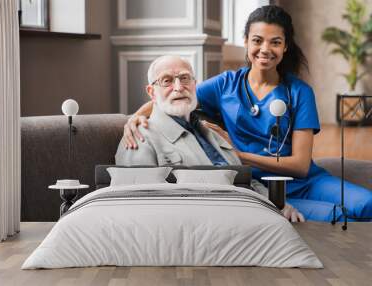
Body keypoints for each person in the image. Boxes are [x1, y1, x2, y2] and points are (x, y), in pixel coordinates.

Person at [121, 5, 372, 222]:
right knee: (339, 217)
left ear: (285, 47)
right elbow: (173, 95)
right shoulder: (224, 85)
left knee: (367, 205)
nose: (265, 49)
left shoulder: (299, 92)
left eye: (275, 42)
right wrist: (135, 117)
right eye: (257, 40)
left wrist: (239, 155)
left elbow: (300, 165)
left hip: (306, 182)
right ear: (246, 41)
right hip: (261, 188)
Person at [116, 55, 305, 222]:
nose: (178, 87)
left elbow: (244, 180)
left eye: (184, 78)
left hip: (251, 219)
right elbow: (137, 211)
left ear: (194, 85)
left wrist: (278, 205)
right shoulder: (139, 138)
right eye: (166, 81)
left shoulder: (212, 132)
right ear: (151, 92)